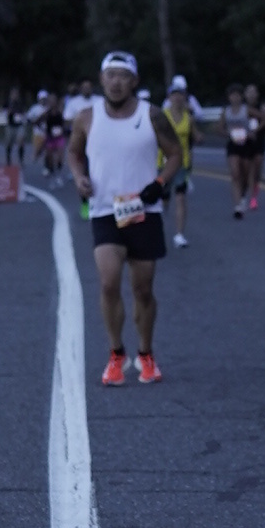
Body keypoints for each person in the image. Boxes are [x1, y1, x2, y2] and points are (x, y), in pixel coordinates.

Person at [70, 53, 181, 384]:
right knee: (108, 283)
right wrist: (79, 177)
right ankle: (116, 354)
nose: (116, 82)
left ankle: (145, 354)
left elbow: (175, 154)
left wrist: (160, 183)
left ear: (134, 81)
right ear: (101, 80)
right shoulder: (86, 117)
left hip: (143, 211)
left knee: (143, 289)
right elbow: (74, 152)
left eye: (123, 76)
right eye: (111, 75)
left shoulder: (153, 115)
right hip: (105, 210)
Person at [161, 76, 197, 246]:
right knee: (163, 197)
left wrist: (199, 137)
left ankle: (179, 235)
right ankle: (159, 225)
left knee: (181, 197)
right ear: (169, 97)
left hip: (182, 163)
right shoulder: (162, 116)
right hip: (163, 162)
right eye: (174, 95)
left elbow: (195, 136)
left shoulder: (188, 117)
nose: (177, 98)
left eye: (180, 95)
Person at [226, 84, 265, 216]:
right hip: (236, 143)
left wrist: (253, 131)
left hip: (251, 142)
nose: (251, 95)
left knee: (251, 171)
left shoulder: (253, 108)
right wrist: (229, 133)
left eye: (253, 92)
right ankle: (239, 204)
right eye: (248, 92)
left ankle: (250, 195)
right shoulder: (227, 111)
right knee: (236, 173)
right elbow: (219, 127)